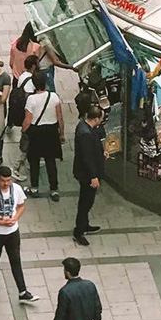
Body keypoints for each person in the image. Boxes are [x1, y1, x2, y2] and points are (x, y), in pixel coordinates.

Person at [0, 165, 38, 302]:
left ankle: (22, 291)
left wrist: (15, 218)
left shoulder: (16, 189)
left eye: (8, 180)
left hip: (12, 231)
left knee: (15, 259)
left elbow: (21, 206)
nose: (6, 184)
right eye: (3, 181)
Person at [22, 72, 63, 201]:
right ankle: (54, 189)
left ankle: (34, 187)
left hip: (36, 132)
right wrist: (61, 133)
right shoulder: (54, 96)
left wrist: (24, 131)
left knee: (34, 161)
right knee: (50, 161)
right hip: (51, 131)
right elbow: (60, 117)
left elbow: (28, 120)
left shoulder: (31, 99)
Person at [71, 105, 104, 246]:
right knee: (86, 202)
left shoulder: (84, 127)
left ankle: (85, 224)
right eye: (100, 119)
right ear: (96, 118)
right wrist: (93, 176)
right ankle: (79, 231)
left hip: (86, 172)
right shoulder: (85, 133)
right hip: (86, 174)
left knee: (87, 201)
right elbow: (87, 157)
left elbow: (92, 150)